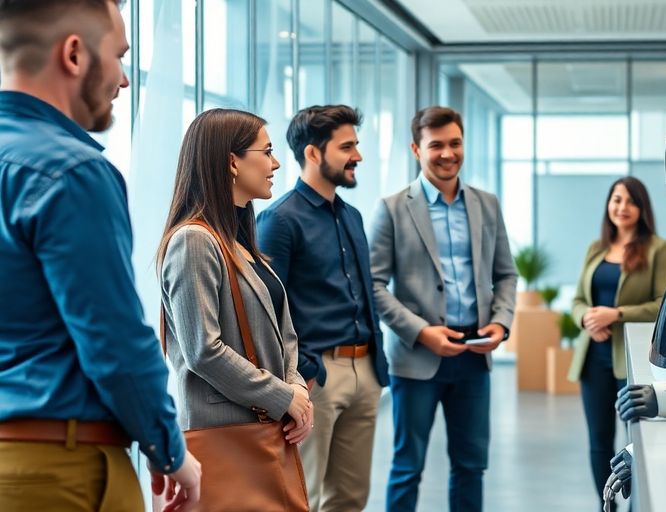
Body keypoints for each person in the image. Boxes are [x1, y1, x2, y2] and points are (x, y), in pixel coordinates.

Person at [0, 0, 202, 509]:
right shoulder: (71, 172)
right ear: (74, 54)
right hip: (58, 471)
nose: (125, 80)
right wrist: (169, 449)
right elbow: (113, 340)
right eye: (119, 55)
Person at [158, 108, 312, 500]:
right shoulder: (194, 241)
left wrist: (295, 390)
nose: (276, 163)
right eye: (267, 151)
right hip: (226, 437)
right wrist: (281, 396)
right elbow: (203, 351)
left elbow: (284, 334)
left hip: (263, 431)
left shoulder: (239, 241)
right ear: (232, 161)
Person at [371, 106, 517, 512]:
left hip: (474, 354)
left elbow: (506, 274)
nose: (447, 153)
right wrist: (421, 332)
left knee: (471, 466)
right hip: (417, 357)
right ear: (417, 149)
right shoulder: (393, 208)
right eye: (437, 145)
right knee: (407, 467)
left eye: (455, 143)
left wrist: (501, 325)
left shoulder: (487, 204)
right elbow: (373, 284)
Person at [258, 104, 389, 512]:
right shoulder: (278, 221)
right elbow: (266, 311)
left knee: (350, 499)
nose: (358, 156)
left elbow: (364, 295)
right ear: (313, 153)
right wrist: (304, 373)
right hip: (317, 378)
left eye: (357, 145)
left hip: (364, 372)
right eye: (347, 146)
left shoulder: (352, 216)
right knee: (304, 497)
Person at [568, 176, 666, 511]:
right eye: (616, 199)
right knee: (598, 442)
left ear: (642, 208)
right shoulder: (595, 249)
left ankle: (636, 505)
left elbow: (663, 305)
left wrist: (615, 314)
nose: (622, 207)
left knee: (635, 441)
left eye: (630, 201)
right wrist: (586, 318)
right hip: (592, 358)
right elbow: (577, 301)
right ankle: (607, 506)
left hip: (630, 359)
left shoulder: (658, 248)